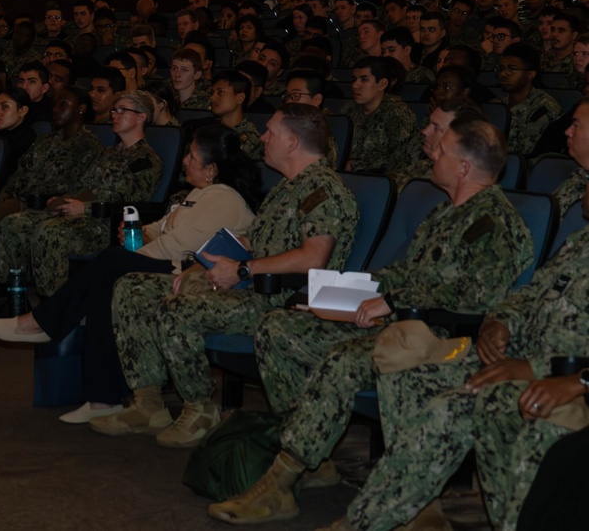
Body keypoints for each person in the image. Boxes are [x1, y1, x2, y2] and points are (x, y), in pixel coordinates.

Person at [209, 115, 534, 527]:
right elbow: (407, 272)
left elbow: (478, 299)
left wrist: (391, 302)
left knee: (343, 361)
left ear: (465, 168)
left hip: (438, 338)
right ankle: (314, 456)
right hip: (394, 321)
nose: (431, 153)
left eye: (443, 150)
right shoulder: (445, 213)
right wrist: (348, 290)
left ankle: (284, 478)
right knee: (279, 328)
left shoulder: (494, 222)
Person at [314, 100, 589, 531]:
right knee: (411, 375)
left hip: (559, 374)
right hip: (519, 359)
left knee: (469, 406)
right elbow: (530, 294)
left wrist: (547, 372)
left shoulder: (494, 217)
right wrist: (502, 322)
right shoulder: (582, 243)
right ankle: (381, 519)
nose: (581, 188)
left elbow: (472, 289)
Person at [90, 105, 359, 447]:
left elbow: (313, 257)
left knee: (175, 310)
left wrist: (244, 269)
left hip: (277, 299)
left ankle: (199, 409)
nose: (262, 137)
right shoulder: (287, 188)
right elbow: (258, 240)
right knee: (133, 286)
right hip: (249, 284)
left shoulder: (323, 189)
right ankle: (148, 402)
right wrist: (204, 261)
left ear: (291, 143)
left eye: (271, 132)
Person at [0, 125, 260, 423]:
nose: (184, 161)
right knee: (108, 279)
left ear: (211, 169)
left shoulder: (224, 198)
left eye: (191, 156)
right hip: (176, 265)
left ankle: (43, 325)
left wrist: (130, 255)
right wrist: (140, 234)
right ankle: (102, 398)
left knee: (112, 264)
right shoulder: (197, 194)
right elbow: (160, 229)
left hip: (202, 278)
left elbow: (179, 246)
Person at [0, 90, 163, 300]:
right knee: (13, 224)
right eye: (114, 110)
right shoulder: (107, 153)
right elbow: (84, 187)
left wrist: (85, 208)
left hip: (105, 224)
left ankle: (54, 304)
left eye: (122, 110)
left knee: (49, 232)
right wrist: (62, 201)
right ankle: (14, 296)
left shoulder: (145, 160)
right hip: (79, 215)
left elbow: (131, 204)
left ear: (141, 117)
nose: (114, 115)